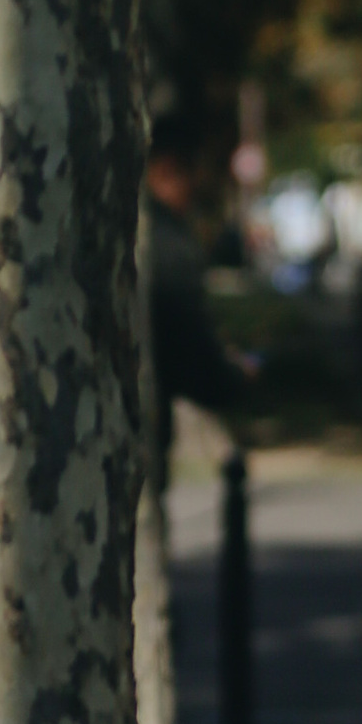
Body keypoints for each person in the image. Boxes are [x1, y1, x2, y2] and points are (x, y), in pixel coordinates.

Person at [143, 118, 256, 489]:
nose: (195, 188)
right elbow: (183, 334)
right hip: (139, 422)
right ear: (167, 171)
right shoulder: (165, 242)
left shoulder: (134, 228)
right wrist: (228, 378)